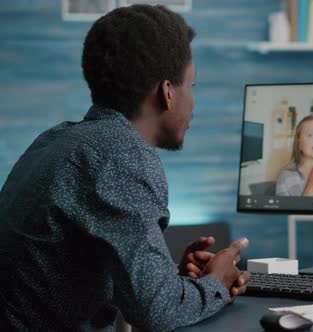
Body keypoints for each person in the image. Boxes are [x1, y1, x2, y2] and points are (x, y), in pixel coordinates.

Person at [0, 5, 250, 331]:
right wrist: (217, 281)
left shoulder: (57, 140)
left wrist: (170, 280)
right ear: (168, 92)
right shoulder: (123, 156)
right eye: (192, 85)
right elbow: (157, 315)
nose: (193, 100)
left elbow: (76, 278)